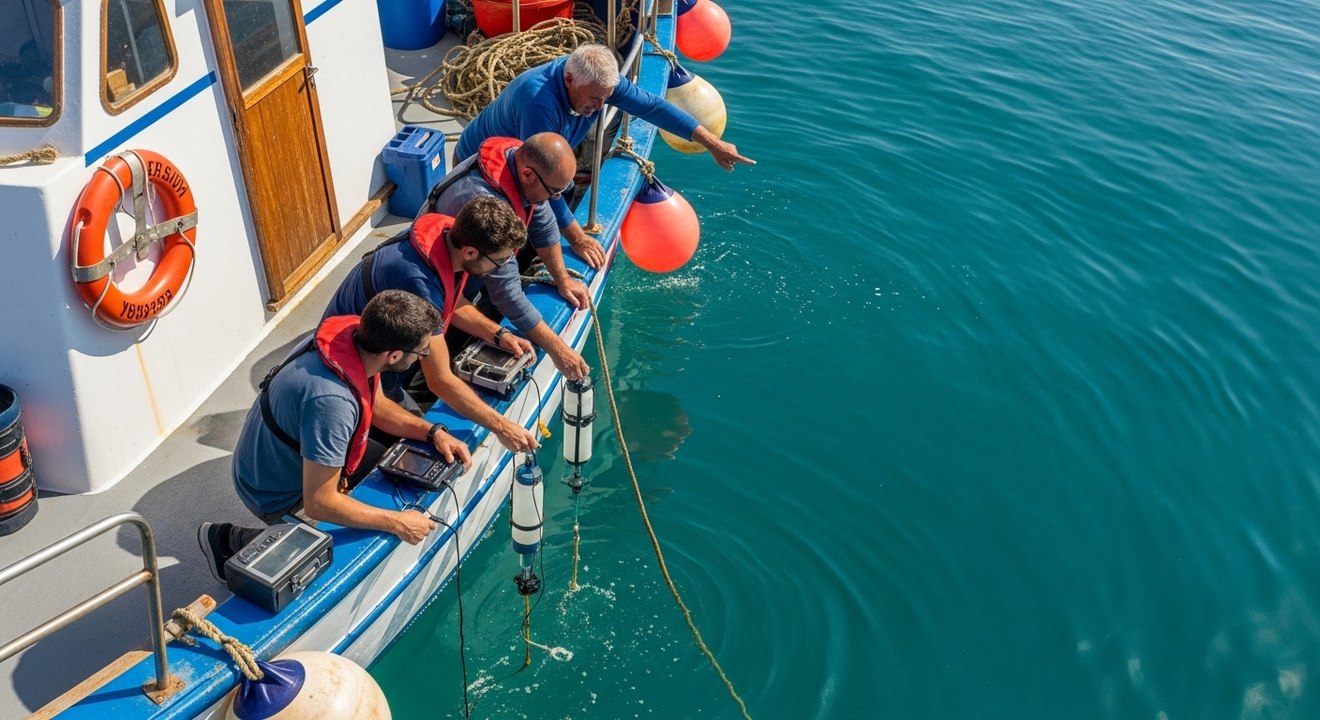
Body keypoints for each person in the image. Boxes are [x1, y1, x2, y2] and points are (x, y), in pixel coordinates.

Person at [198, 289, 471, 581]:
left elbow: (375, 404)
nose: (424, 356)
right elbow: (319, 502)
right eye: (422, 351)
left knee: (406, 468)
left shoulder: (356, 339)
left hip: (297, 453)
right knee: (331, 554)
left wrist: (432, 432)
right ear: (393, 355)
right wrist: (398, 522)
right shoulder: (332, 403)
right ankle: (228, 540)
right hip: (276, 493)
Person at [453, 43, 755, 268]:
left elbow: (652, 107)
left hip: (531, 167)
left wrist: (712, 142)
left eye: (607, 98)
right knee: (498, 240)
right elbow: (540, 184)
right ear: (569, 80)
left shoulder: (597, 84)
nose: (600, 107)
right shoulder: (538, 104)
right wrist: (578, 238)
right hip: (480, 170)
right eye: (595, 99)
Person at [323, 195, 541, 453]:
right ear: (470, 252)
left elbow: (449, 303)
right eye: (500, 261)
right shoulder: (418, 282)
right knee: (417, 445)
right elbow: (438, 380)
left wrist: (498, 333)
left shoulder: (448, 240)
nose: (502, 267)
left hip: (392, 349)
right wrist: (503, 427)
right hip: (358, 372)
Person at [429, 131, 591, 382]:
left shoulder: (521, 168)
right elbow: (506, 291)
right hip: (440, 282)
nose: (556, 198)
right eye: (554, 192)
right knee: (435, 349)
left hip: (473, 266)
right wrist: (558, 350)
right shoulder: (483, 202)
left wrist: (563, 279)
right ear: (528, 175)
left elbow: (543, 222)